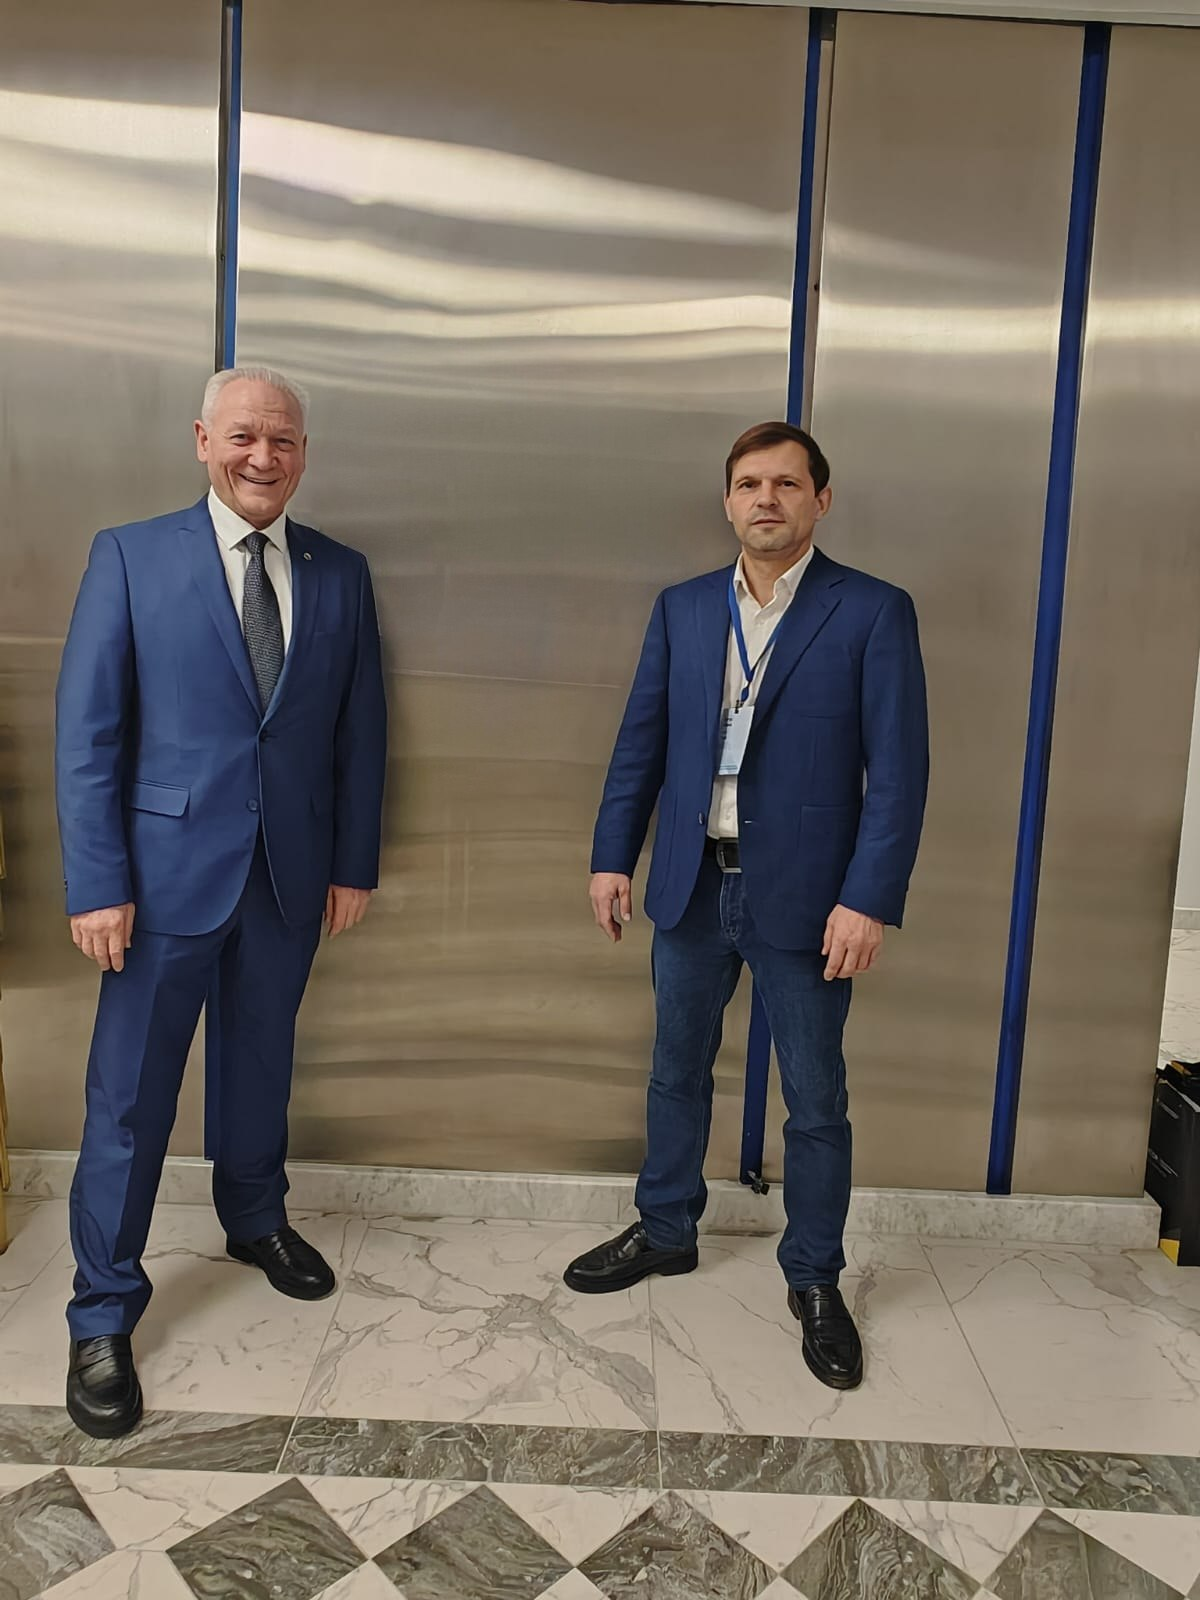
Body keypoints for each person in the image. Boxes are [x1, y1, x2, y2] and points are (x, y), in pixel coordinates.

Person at [55, 366, 387, 1437]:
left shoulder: (339, 572)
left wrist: (352, 865)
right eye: (243, 436)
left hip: (288, 877)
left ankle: (254, 1219)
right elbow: (88, 734)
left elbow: (359, 733)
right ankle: (102, 1309)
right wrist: (98, 881)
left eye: (282, 440)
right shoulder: (130, 555)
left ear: (304, 454)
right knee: (130, 1098)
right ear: (203, 441)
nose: (263, 457)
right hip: (156, 887)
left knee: (260, 1064)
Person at [564, 421, 928, 1392]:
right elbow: (640, 742)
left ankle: (814, 1277)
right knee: (674, 1072)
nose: (766, 499)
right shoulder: (685, 608)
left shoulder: (871, 610)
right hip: (691, 884)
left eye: (786, 484)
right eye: (748, 484)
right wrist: (611, 857)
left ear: (821, 499)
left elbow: (898, 775)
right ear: (727, 501)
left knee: (815, 1102)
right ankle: (666, 1228)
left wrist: (867, 899)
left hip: (810, 901)